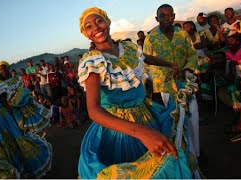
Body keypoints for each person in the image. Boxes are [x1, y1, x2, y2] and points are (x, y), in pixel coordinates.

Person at [77, 7, 193, 179]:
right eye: (88, 26)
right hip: (120, 130)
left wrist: (170, 64)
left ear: (107, 22)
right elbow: (93, 111)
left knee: (165, 157)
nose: (95, 27)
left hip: (145, 115)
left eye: (99, 21)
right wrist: (143, 133)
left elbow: (146, 58)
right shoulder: (92, 61)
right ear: (86, 34)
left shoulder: (128, 47)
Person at [143, 4, 201, 173]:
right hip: (166, 86)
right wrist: (147, 81)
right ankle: (183, 156)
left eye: (169, 15)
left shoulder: (182, 34)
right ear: (157, 19)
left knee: (193, 118)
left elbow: (192, 54)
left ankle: (196, 154)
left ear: (174, 16)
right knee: (176, 121)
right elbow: (146, 61)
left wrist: (188, 69)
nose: (166, 18)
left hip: (186, 83)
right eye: (162, 15)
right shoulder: (151, 38)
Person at [0, 61, 50, 133]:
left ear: (8, 68)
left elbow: (23, 88)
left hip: (25, 102)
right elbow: (3, 98)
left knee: (32, 121)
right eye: (1, 69)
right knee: (21, 127)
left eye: (4, 68)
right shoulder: (0, 84)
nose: (3, 71)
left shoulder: (17, 78)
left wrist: (26, 96)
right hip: (13, 108)